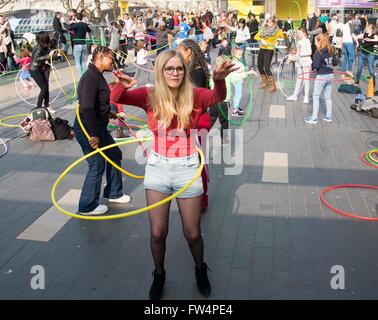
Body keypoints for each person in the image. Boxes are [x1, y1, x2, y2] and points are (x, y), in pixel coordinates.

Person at [110, 50, 237, 300]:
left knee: (192, 233)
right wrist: (119, 85)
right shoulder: (150, 95)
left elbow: (218, 97)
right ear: (160, 71)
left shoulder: (195, 95)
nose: (175, 73)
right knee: (157, 233)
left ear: (185, 71)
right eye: (169, 69)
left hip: (188, 167)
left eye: (179, 68)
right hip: (158, 167)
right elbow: (118, 99)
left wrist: (219, 79)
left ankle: (200, 270)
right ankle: (159, 274)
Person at [74, 46, 131, 216]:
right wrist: (93, 134)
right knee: (96, 164)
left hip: (97, 126)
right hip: (88, 128)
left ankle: (114, 193)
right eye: (111, 58)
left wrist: (110, 113)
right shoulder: (90, 78)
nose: (113, 61)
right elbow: (87, 108)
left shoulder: (97, 76)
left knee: (114, 154)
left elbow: (98, 104)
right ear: (101, 57)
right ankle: (87, 205)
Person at [304, 34, 338, 124]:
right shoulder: (331, 51)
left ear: (320, 41)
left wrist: (312, 65)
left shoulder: (318, 53)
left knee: (316, 96)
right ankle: (328, 116)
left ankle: (314, 118)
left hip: (322, 76)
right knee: (328, 97)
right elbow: (335, 63)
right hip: (330, 75)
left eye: (315, 41)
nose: (314, 43)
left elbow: (316, 65)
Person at [29, 31, 59, 114]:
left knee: (46, 87)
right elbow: (36, 59)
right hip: (34, 70)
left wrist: (56, 55)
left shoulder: (46, 46)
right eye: (48, 37)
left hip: (42, 69)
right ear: (44, 39)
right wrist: (49, 56)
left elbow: (51, 56)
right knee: (44, 88)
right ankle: (38, 107)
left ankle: (46, 106)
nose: (50, 37)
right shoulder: (38, 48)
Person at [254, 17, 285, 92]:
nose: (269, 23)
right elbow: (256, 36)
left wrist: (286, 35)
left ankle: (273, 87)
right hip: (262, 48)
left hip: (269, 49)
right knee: (260, 67)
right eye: (268, 21)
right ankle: (265, 83)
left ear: (274, 23)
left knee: (267, 68)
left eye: (271, 22)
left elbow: (284, 36)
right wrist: (262, 39)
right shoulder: (264, 29)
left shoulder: (277, 31)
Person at [227, 47, 258, 116]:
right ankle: (235, 110)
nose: (240, 56)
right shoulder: (235, 63)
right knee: (238, 95)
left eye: (241, 54)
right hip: (237, 80)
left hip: (239, 80)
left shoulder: (238, 61)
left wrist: (246, 68)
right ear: (234, 55)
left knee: (238, 94)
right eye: (239, 55)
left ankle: (236, 107)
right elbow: (239, 71)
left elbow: (243, 68)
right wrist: (248, 72)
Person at [286, 28, 312, 104]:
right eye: (298, 33)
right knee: (299, 79)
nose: (298, 35)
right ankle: (295, 95)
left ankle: (306, 97)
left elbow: (310, 52)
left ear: (304, 33)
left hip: (306, 61)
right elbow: (298, 53)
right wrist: (292, 58)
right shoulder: (299, 41)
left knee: (306, 79)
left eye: (300, 33)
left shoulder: (307, 40)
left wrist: (300, 54)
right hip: (299, 61)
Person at [67, 13, 91, 77]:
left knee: (78, 62)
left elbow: (68, 28)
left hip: (77, 44)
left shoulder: (77, 25)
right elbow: (89, 30)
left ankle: (81, 76)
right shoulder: (84, 24)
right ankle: (86, 75)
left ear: (76, 18)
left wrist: (69, 22)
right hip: (84, 44)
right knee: (82, 61)